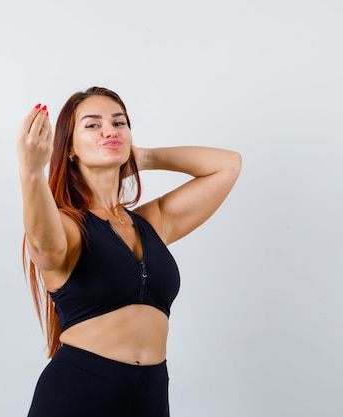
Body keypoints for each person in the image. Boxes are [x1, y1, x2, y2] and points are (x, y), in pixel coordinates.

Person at [16, 86, 241, 416]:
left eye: (119, 123)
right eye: (92, 125)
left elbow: (228, 165)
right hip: (78, 395)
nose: (110, 130)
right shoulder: (67, 225)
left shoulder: (151, 223)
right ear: (69, 149)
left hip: (149, 397)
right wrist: (31, 171)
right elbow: (45, 249)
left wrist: (144, 157)